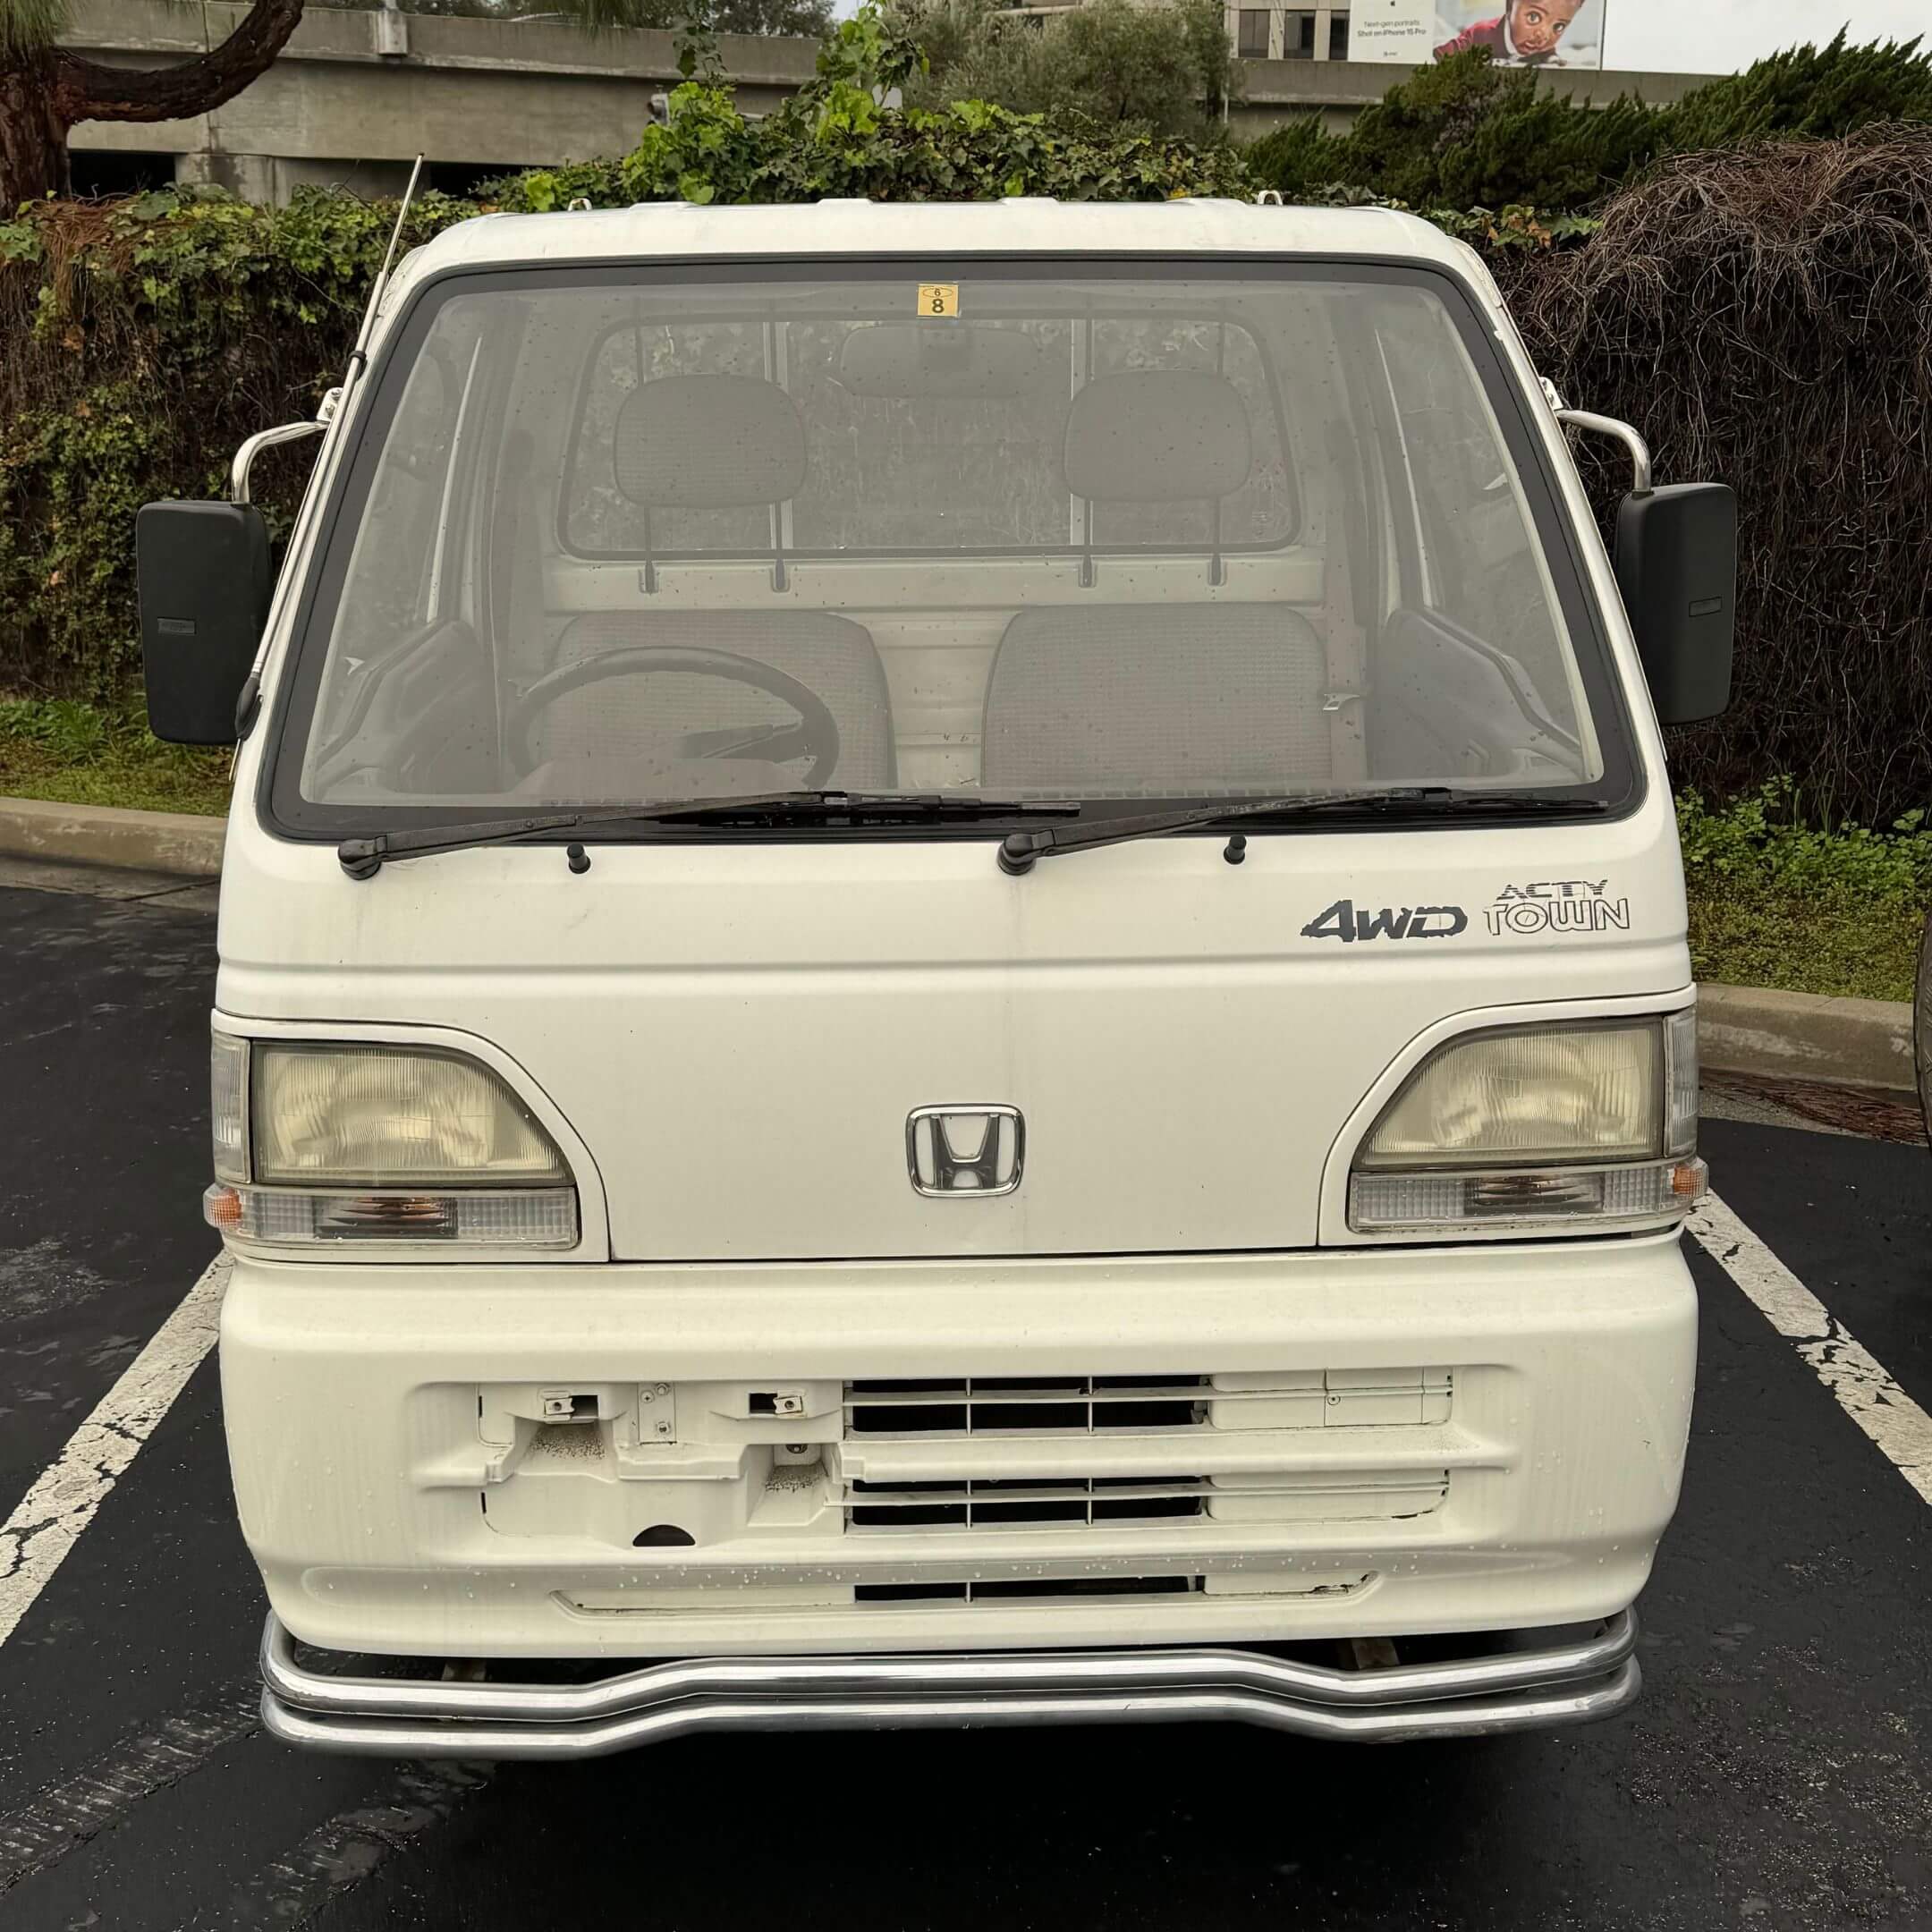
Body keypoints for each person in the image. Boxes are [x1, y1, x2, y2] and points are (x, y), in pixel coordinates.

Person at [1434, 0, 1584, 64]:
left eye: (1558, 27)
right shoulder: (1482, 34)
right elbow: (1441, 54)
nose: (1543, 36)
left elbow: (1548, 53)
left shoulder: (1542, 46)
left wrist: (1553, 60)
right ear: (1510, 6)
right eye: (1534, 17)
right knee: (1440, 27)